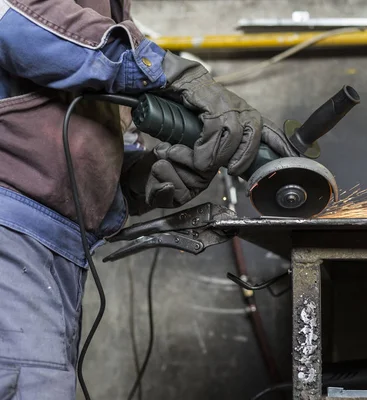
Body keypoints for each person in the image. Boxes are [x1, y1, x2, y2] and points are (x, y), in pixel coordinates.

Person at [0, 0, 297, 398]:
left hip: (53, 249)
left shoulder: (110, 11)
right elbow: (11, 17)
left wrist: (137, 180)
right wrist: (161, 69)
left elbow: (63, 133)